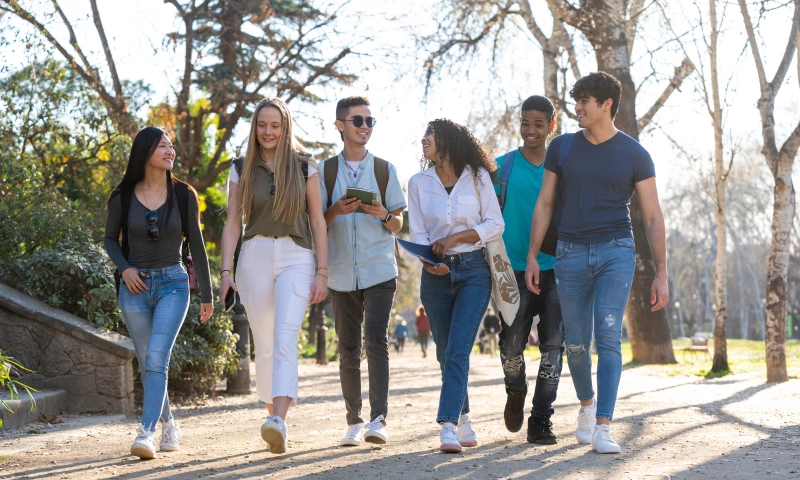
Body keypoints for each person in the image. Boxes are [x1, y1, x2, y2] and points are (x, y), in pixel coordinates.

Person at [525, 72, 669, 454]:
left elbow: (653, 216)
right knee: (576, 344)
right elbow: (545, 203)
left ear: (607, 105)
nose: (578, 108)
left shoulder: (635, 154)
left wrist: (662, 274)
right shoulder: (562, 148)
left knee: (608, 337)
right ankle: (586, 408)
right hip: (570, 252)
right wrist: (532, 256)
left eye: (585, 100)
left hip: (616, 250)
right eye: (577, 100)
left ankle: (604, 425)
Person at [219, 97, 328, 454]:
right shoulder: (240, 168)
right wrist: (225, 272)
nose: (268, 131)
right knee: (264, 345)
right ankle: (273, 420)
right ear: (255, 128)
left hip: (297, 257)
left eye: (275, 125)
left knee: (283, 337)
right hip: (254, 256)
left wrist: (322, 271)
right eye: (262, 125)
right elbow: (233, 223)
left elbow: (317, 222)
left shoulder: (305, 168)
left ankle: (279, 419)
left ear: (286, 127)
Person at [104, 126, 213, 459]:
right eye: (162, 146)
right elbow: (110, 239)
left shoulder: (184, 195)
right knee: (149, 361)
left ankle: (145, 432)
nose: (170, 151)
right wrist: (125, 267)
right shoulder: (121, 196)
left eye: (171, 146)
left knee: (155, 358)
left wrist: (207, 294)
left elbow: (195, 242)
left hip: (173, 284)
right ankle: (170, 423)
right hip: (134, 286)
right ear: (145, 152)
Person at [408, 118, 504, 453]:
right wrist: (427, 261)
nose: (424, 139)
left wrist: (457, 237)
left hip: (474, 271)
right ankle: (464, 419)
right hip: (435, 275)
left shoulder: (477, 178)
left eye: (430, 134)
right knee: (445, 352)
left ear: (447, 140)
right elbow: (418, 232)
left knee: (459, 349)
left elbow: (495, 223)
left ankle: (447, 424)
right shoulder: (418, 182)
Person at [319, 96, 406, 447]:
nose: (365, 127)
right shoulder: (324, 172)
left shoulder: (385, 169)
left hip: (379, 268)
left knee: (376, 340)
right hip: (340, 272)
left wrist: (382, 214)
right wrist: (335, 211)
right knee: (348, 348)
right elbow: (316, 225)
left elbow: (398, 224)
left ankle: (378, 419)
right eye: (358, 121)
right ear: (340, 125)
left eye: (370, 121)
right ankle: (353, 421)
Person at [494, 95, 565, 445]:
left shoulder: (564, 168)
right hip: (511, 271)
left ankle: (540, 419)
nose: (531, 130)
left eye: (539, 124)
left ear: (552, 125)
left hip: (557, 270)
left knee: (553, 347)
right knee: (510, 346)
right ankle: (515, 388)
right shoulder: (501, 168)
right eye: (526, 123)